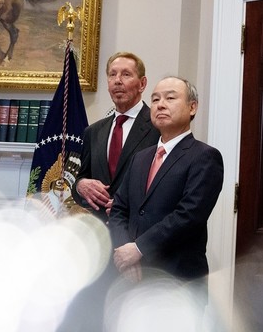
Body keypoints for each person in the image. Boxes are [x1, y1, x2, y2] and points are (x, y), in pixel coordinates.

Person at [108, 76, 224, 282]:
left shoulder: (205, 157)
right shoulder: (140, 158)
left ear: (192, 107)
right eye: (155, 100)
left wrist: (139, 248)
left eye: (170, 98)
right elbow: (119, 209)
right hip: (130, 277)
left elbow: (189, 215)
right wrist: (124, 253)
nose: (160, 105)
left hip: (176, 278)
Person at [72, 52, 160, 219]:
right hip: (100, 234)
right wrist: (80, 186)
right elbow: (81, 178)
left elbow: (165, 185)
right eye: (113, 74)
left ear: (142, 84)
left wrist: (128, 206)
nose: (118, 80)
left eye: (126, 74)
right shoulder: (93, 132)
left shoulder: (158, 127)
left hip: (137, 233)